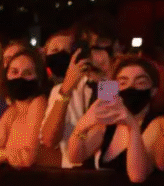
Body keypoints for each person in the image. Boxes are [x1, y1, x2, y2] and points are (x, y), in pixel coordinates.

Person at [67, 55, 161, 181]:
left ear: (153, 90)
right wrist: (81, 127)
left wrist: (132, 125)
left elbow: (137, 176)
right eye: (123, 82)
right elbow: (75, 157)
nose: (130, 87)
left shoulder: (157, 124)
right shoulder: (108, 124)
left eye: (140, 82)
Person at [39, 18, 117, 164]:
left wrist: (106, 79)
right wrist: (67, 89)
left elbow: (106, 127)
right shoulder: (63, 90)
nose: (93, 55)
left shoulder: (118, 86)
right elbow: (49, 140)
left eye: (99, 47)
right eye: (88, 47)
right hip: (73, 180)